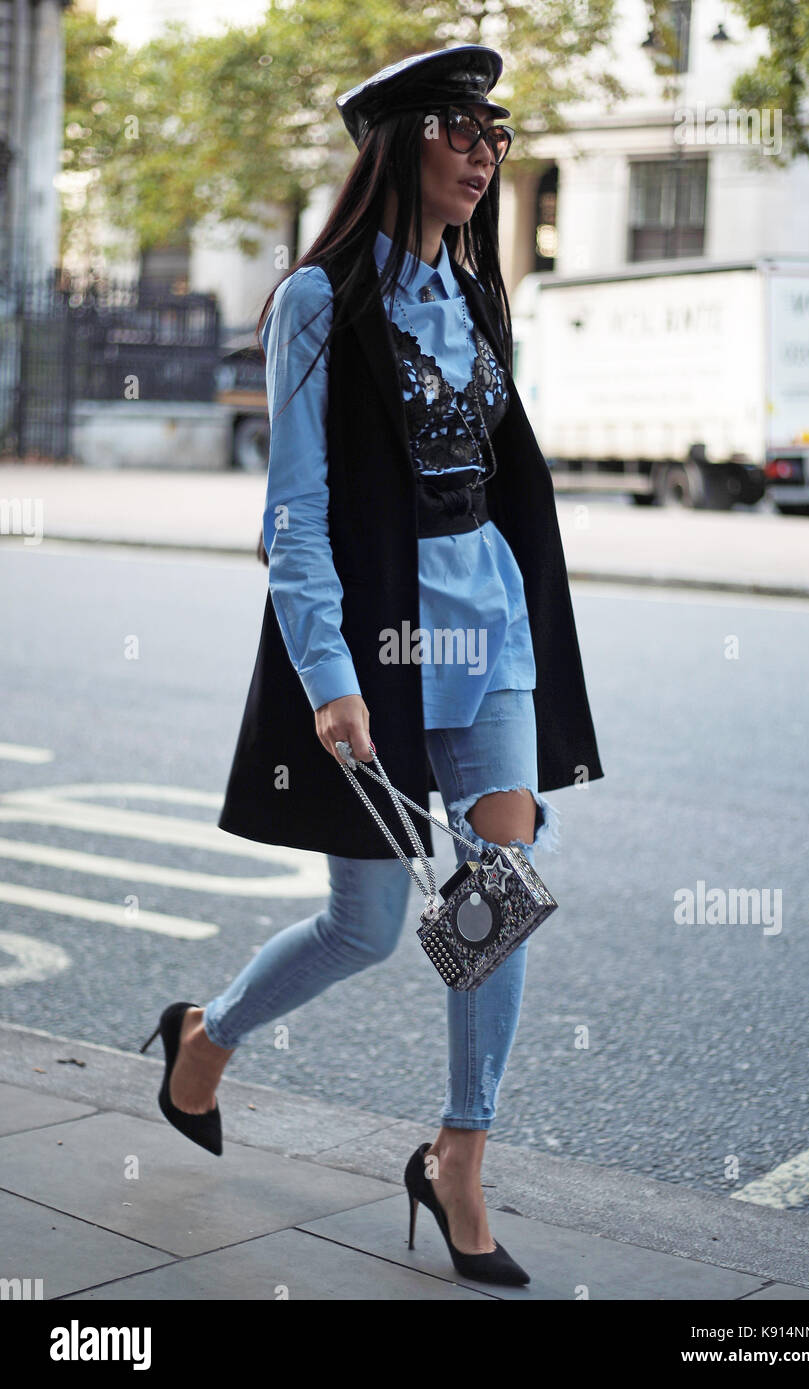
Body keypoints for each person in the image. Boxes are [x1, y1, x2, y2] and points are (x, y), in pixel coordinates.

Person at [140, 44, 604, 1288]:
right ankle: (206, 1031)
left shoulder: (472, 292)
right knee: (366, 924)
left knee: (497, 896)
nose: (483, 154)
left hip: (486, 630)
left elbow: (488, 479)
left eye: (494, 135)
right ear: (398, 143)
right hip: (378, 646)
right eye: (461, 130)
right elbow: (292, 517)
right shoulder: (315, 303)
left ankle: (459, 1155)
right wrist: (331, 678)